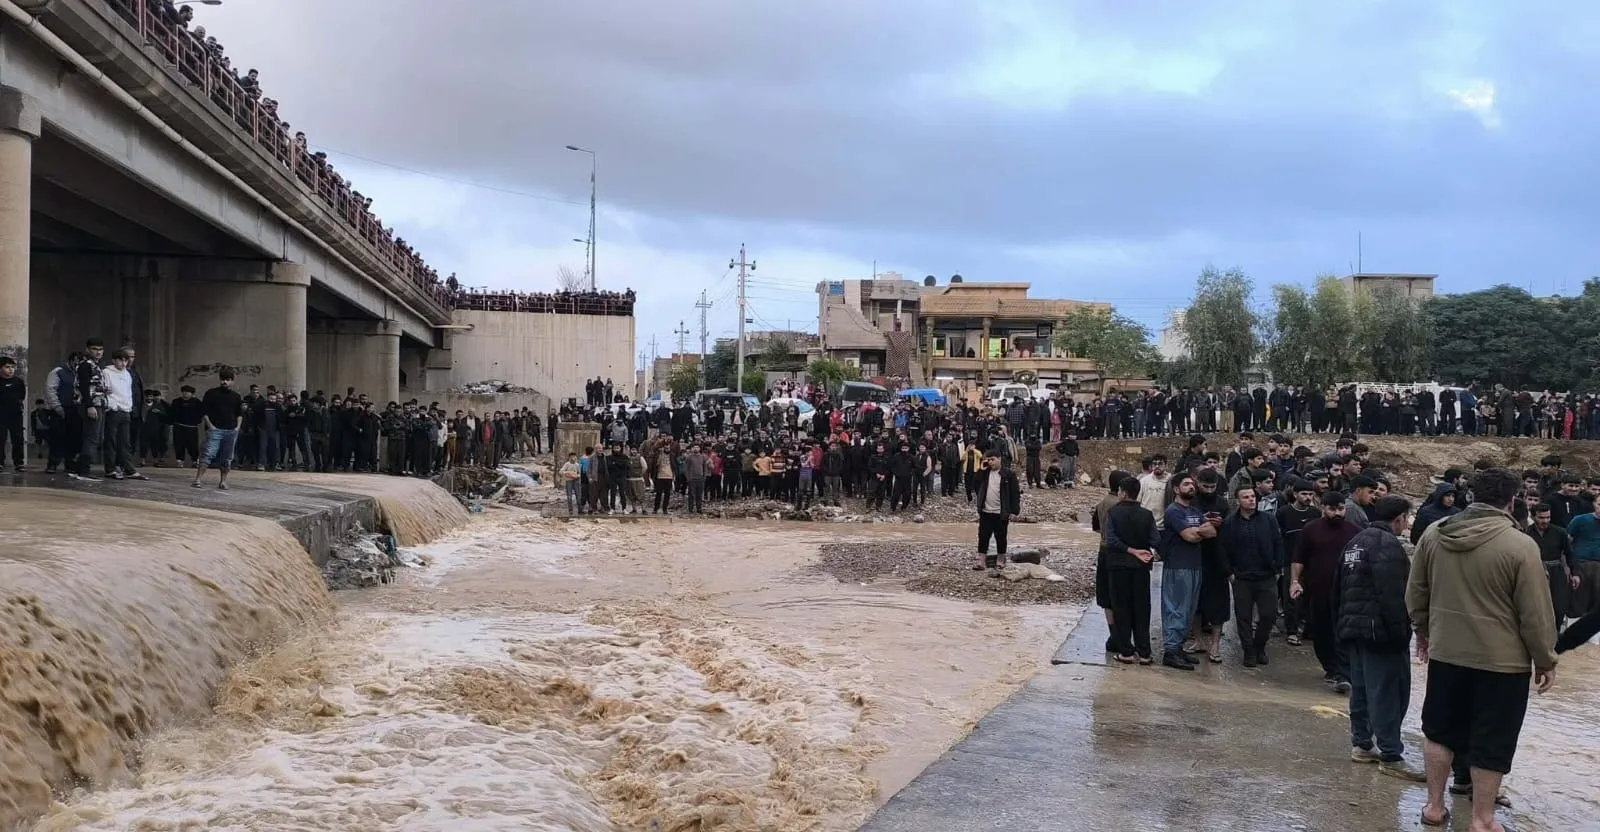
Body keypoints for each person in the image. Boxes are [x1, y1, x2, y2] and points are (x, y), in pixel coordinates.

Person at [1410, 468, 1558, 831]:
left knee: (1439, 731)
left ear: (1471, 496)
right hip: (1502, 664)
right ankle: (1482, 819)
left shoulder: (1435, 533)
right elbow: (1535, 614)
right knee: (1493, 740)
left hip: (1447, 654)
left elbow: (1416, 593)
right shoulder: (1521, 545)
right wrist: (1545, 659)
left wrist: (1424, 631)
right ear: (1511, 502)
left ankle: (1433, 807)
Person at [1336, 495, 1425, 781]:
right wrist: (1402, 634)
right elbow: (1393, 595)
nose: (1407, 524)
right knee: (1387, 693)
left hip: (1353, 629)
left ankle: (1362, 745)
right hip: (1380, 632)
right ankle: (1391, 754)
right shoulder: (1388, 545)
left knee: (1361, 690)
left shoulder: (1355, 542)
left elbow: (1337, 589)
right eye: (1407, 518)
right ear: (1398, 518)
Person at [1160, 472, 1215, 671]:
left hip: (1194, 565)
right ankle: (1171, 651)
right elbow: (1191, 536)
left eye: (1192, 484)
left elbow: (1211, 532)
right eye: (1186, 484)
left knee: (1189, 610)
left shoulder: (1194, 511)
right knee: (1176, 608)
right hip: (1177, 566)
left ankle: (1179, 647)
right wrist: (1200, 532)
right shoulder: (1173, 511)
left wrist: (1197, 532)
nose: (1191, 487)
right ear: (1176, 489)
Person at [1103, 475, 1158, 664]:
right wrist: (1149, 554)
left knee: (1122, 609)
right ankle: (1144, 653)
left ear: (1123, 493)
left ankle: (1126, 651)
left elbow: (1111, 541)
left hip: (1118, 567)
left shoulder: (1113, 513)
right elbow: (1155, 541)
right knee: (1142, 609)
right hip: (1141, 568)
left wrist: (1130, 550)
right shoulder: (1147, 514)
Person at [192, 368, 244, 490]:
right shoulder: (211, 393)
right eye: (222, 379)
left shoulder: (236, 396)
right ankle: (198, 479)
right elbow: (204, 412)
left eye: (227, 380)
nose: (224, 382)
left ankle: (223, 482)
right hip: (215, 430)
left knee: (227, 458)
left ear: (232, 381)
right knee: (208, 454)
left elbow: (239, 414)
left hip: (231, 431)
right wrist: (211, 426)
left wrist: (237, 427)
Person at [972, 451, 1020, 576]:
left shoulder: (1008, 474)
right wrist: (981, 470)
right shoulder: (985, 473)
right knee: (983, 536)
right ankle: (981, 561)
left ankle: (1001, 559)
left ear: (999, 459)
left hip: (1001, 512)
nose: (990, 462)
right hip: (985, 511)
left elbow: (1015, 494)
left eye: (992, 459)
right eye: (988, 460)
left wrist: (1014, 511)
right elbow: (975, 484)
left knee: (1001, 536)